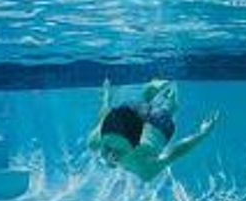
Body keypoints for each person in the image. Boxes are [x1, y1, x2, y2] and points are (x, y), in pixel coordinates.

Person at [87, 78, 218, 181]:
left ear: (135, 147)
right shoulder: (97, 138)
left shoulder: (144, 167)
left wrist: (203, 134)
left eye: (118, 150)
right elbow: (104, 117)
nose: (111, 154)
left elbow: (175, 152)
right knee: (143, 105)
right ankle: (154, 96)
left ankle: (163, 98)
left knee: (166, 108)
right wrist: (106, 98)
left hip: (158, 126)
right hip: (132, 115)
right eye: (107, 146)